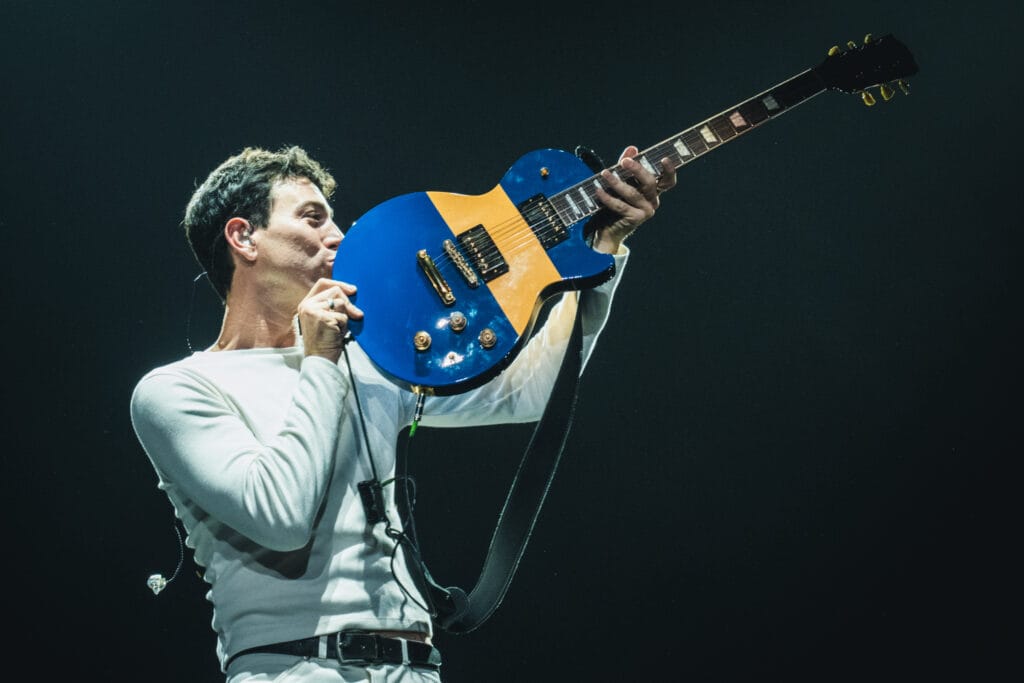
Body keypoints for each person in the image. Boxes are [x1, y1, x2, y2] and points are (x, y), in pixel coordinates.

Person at [130, 144, 676, 682]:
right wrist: (319, 357)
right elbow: (280, 518)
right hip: (292, 669)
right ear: (243, 236)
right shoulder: (176, 390)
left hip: (414, 669)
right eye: (312, 217)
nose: (337, 236)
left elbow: (528, 394)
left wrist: (600, 254)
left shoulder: (367, 360)